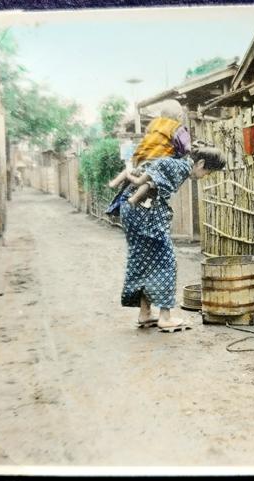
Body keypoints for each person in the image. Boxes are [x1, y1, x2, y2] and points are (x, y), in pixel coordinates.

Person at [120, 146, 225, 331]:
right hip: (144, 214)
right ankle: (165, 317)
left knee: (144, 261)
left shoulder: (174, 165)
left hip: (131, 212)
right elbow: (153, 186)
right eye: (207, 172)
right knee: (166, 263)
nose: (204, 176)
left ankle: (145, 313)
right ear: (200, 163)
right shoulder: (181, 168)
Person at [106, 99, 191, 215]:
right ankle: (135, 198)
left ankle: (115, 182)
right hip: (156, 161)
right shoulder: (177, 128)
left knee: (130, 173)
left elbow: (147, 138)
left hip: (141, 158)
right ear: (180, 116)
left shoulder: (154, 124)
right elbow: (186, 147)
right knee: (151, 182)